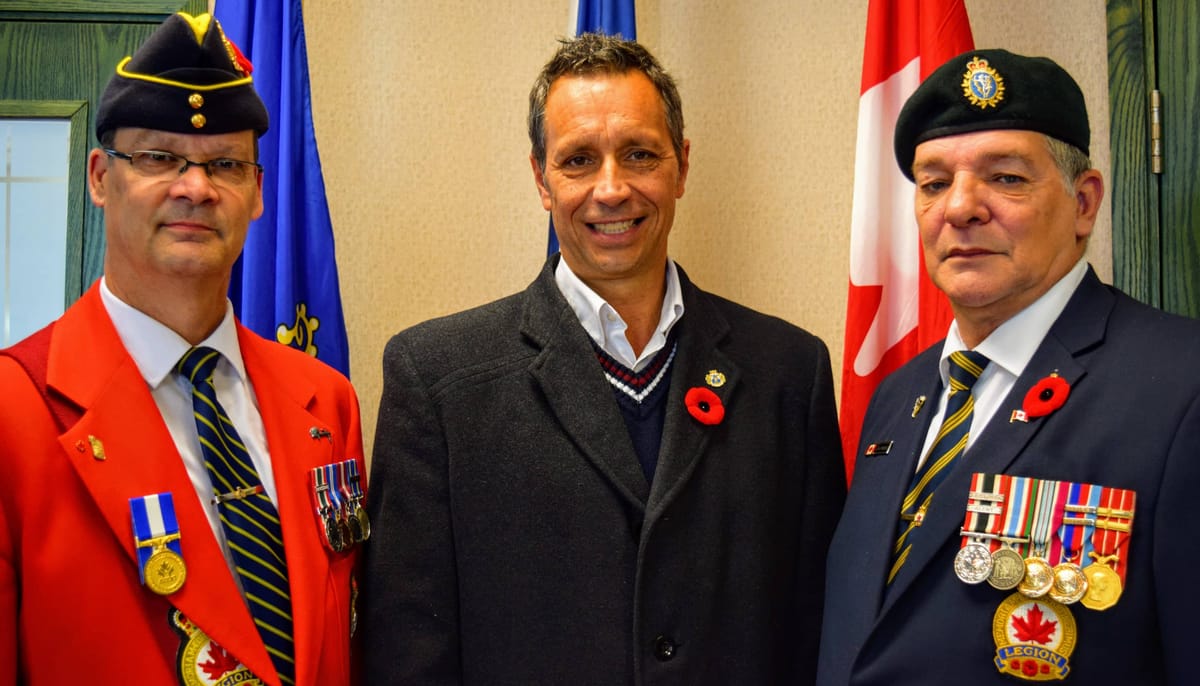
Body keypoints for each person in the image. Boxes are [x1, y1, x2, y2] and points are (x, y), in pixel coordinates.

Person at [362, 33, 846, 685]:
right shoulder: (438, 381)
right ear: (541, 178)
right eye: (579, 160)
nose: (612, 189)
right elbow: (407, 654)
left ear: (681, 165)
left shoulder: (789, 373)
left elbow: (816, 634)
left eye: (640, 154)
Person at [0, 13, 365, 685]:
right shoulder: (14, 409)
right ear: (100, 177)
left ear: (256, 193)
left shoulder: (325, 400)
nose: (195, 187)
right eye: (158, 158)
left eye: (225, 164)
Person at [818, 49, 1200, 685]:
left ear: (1084, 203)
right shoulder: (898, 396)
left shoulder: (1181, 387)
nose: (959, 208)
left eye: (1005, 178)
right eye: (934, 183)